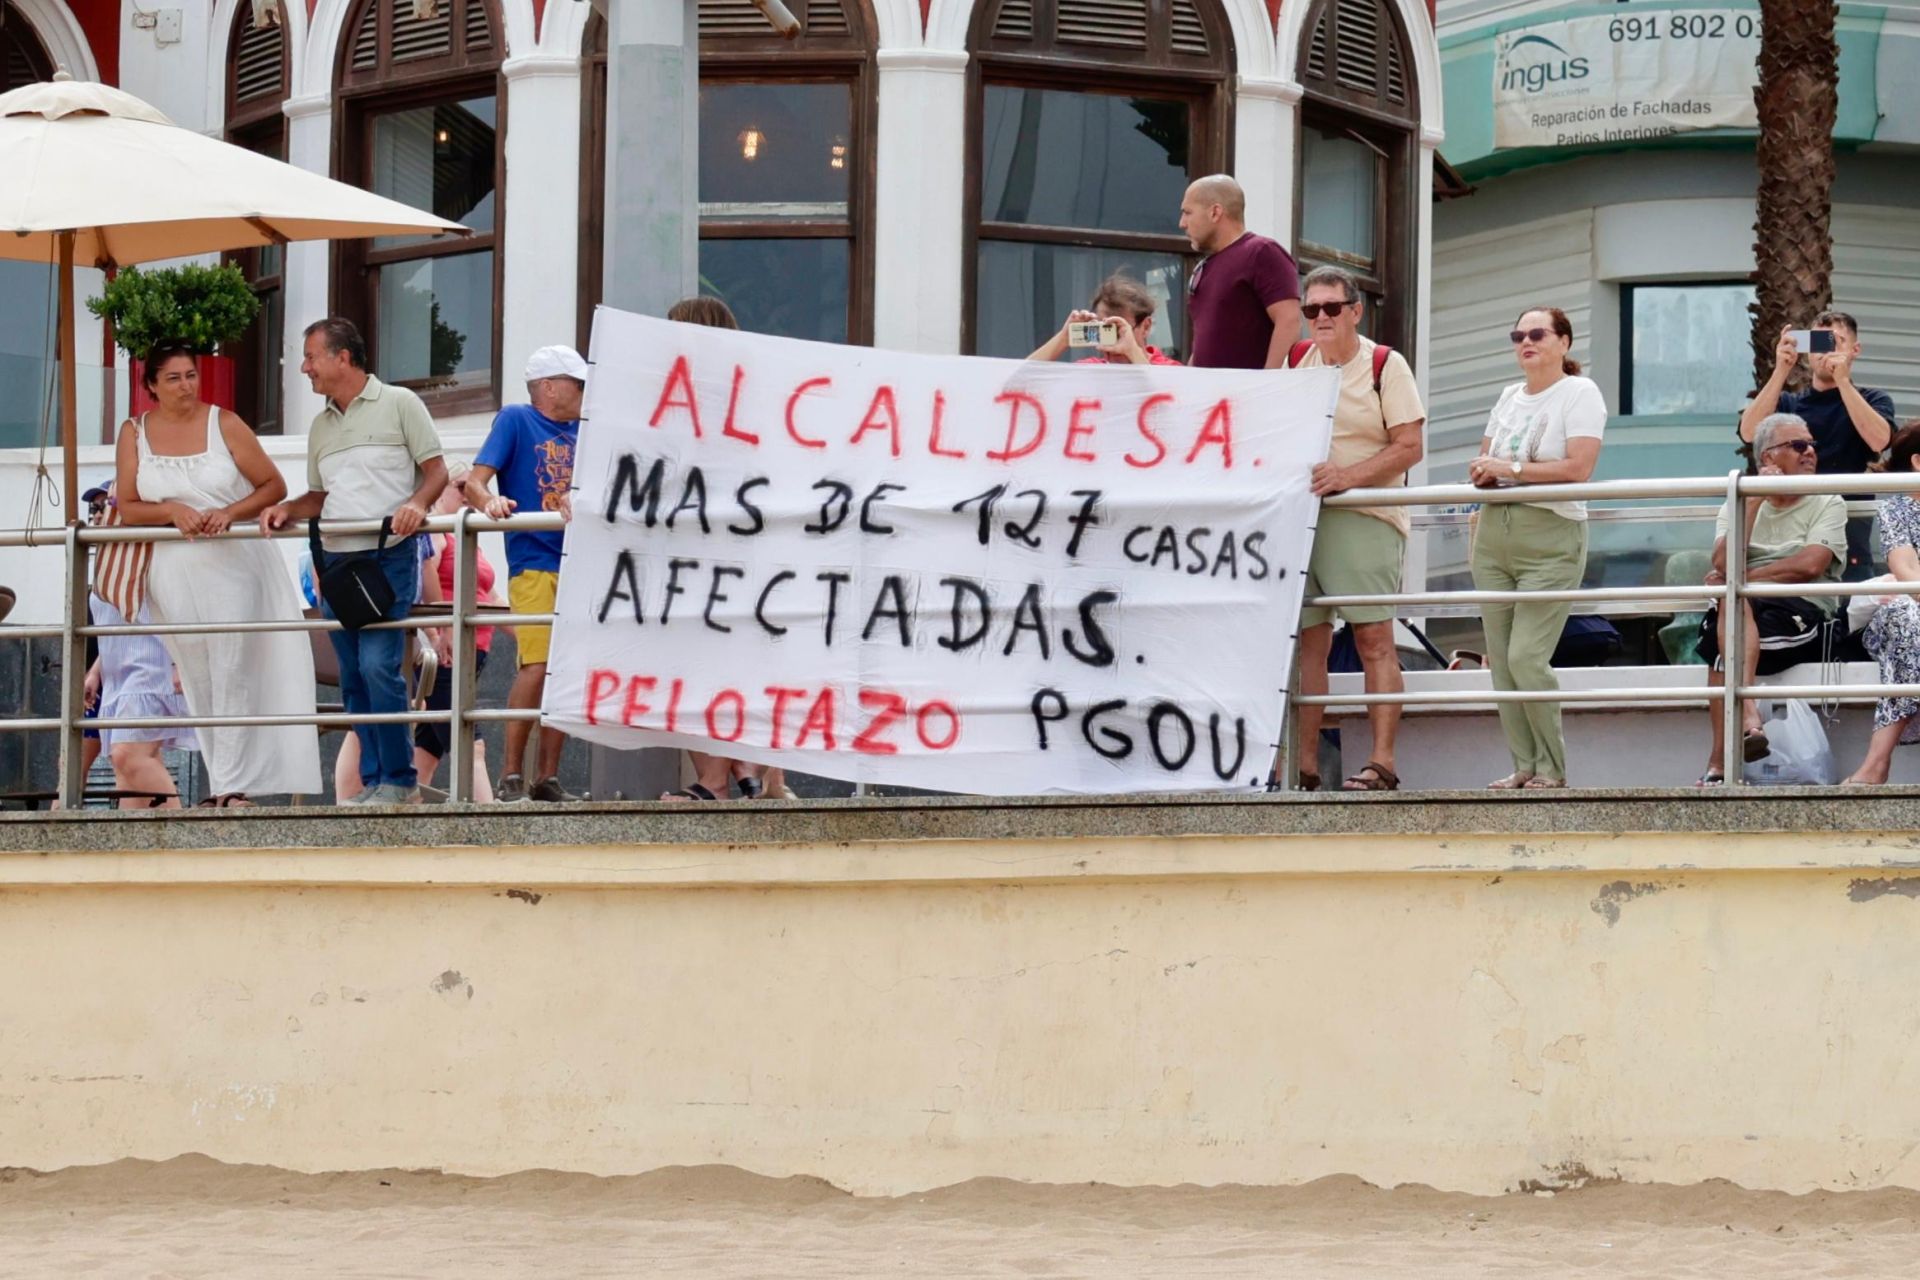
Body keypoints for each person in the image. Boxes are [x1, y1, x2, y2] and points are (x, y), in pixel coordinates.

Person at [112, 340, 321, 807]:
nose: (185, 386)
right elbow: (128, 505)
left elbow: (273, 485)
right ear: (151, 385)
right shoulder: (134, 432)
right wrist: (171, 510)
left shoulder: (224, 422)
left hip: (233, 566)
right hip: (171, 571)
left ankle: (232, 787)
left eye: (191, 375)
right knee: (198, 673)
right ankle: (224, 780)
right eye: (173, 378)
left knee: (232, 668)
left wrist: (228, 512)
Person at [261, 318, 448, 806]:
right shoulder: (321, 425)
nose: (304, 368)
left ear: (342, 358)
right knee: (353, 677)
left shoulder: (401, 403)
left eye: (311, 357)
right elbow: (321, 497)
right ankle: (375, 781)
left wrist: (418, 505)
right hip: (337, 562)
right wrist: (288, 508)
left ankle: (400, 781)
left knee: (379, 667)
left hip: (388, 557)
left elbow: (437, 472)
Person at [1285, 266, 1426, 792]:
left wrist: (1347, 478)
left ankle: (1382, 761)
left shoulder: (1385, 364)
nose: (1320, 317)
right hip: (1305, 518)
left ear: (1355, 311)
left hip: (1366, 516)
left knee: (1373, 639)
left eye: (1331, 307)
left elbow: (1410, 446)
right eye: (1311, 309)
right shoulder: (1297, 360)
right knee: (1306, 643)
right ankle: (1303, 767)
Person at [1468, 307, 1608, 790]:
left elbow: (1578, 468)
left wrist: (1510, 470)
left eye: (1537, 334)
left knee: (1527, 656)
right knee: (1501, 661)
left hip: (1551, 534)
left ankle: (1552, 768)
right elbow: (1486, 460)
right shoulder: (1509, 395)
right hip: (1494, 533)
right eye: (1518, 335)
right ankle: (1524, 765)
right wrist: (1485, 472)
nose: (1525, 342)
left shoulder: (1580, 392)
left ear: (1564, 342)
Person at [1695, 414, 1847, 786]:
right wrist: (1754, 501)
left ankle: (1719, 763)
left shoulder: (1827, 499)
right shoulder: (1740, 501)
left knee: (1722, 638)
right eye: (1798, 445)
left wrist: (1740, 579)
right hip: (1744, 611)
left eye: (1812, 445)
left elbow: (1809, 565)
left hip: (1802, 612)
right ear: (1768, 458)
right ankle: (1748, 720)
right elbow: (1722, 562)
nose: (1810, 452)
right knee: (1729, 614)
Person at [463, 346, 585, 803]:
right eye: (577, 383)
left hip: (582, 563)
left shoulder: (588, 430)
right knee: (537, 664)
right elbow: (474, 482)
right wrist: (490, 502)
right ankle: (511, 773)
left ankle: (546, 777)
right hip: (534, 560)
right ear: (548, 387)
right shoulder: (516, 418)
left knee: (566, 672)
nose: (584, 392)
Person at [1739, 311, 1897, 581]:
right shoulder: (1788, 403)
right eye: (1818, 342)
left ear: (1855, 350)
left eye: (1836, 341)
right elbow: (1750, 432)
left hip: (1849, 536)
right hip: (1788, 538)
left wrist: (1842, 381)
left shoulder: (1873, 399)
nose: (1826, 351)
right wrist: (1781, 370)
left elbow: (1879, 440)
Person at [416, 463, 505, 802]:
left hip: (470, 655)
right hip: (447, 657)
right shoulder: (436, 532)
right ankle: (489, 819)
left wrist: (534, 635)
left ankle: (402, 817)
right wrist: (437, 633)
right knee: (470, 744)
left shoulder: (465, 536)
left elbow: (492, 599)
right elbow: (422, 587)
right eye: (460, 486)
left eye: (473, 488)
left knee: (427, 750)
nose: (468, 495)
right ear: (440, 488)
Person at [1846, 422, 1920, 785]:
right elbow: (1906, 570)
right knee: (1906, 619)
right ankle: (1876, 764)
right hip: (1909, 609)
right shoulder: (1897, 508)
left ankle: (1874, 765)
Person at [1177, 174, 1301, 370]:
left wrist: (1269, 382)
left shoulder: (1261, 252)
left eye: (1187, 212)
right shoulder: (1205, 266)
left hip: (1251, 389)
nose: (1182, 223)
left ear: (1215, 212)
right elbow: (1204, 342)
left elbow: (1289, 320)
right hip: (1209, 389)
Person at [1027, 274, 1184, 366]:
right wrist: (1064, 338)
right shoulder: (1092, 370)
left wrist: (1133, 353)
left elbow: (1165, 402)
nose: (1111, 344)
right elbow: (1018, 381)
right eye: (1104, 329)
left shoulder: (1170, 371)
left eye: (1118, 331)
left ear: (1146, 327)